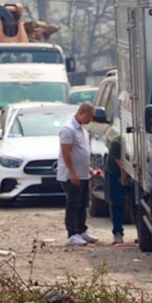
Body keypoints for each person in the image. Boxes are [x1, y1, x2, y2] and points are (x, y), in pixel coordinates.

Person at [57, 102, 96, 246]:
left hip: (83, 173)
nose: (90, 120)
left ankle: (81, 229)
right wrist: (72, 173)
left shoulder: (82, 129)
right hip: (71, 175)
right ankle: (72, 233)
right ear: (81, 112)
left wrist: (89, 169)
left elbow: (82, 151)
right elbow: (66, 152)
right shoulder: (68, 129)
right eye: (89, 116)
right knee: (73, 203)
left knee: (83, 203)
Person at [106, 134, 128, 245]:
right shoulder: (117, 143)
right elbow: (119, 162)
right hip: (115, 174)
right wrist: (124, 175)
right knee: (117, 203)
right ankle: (117, 232)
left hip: (132, 173)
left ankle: (142, 234)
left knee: (137, 205)